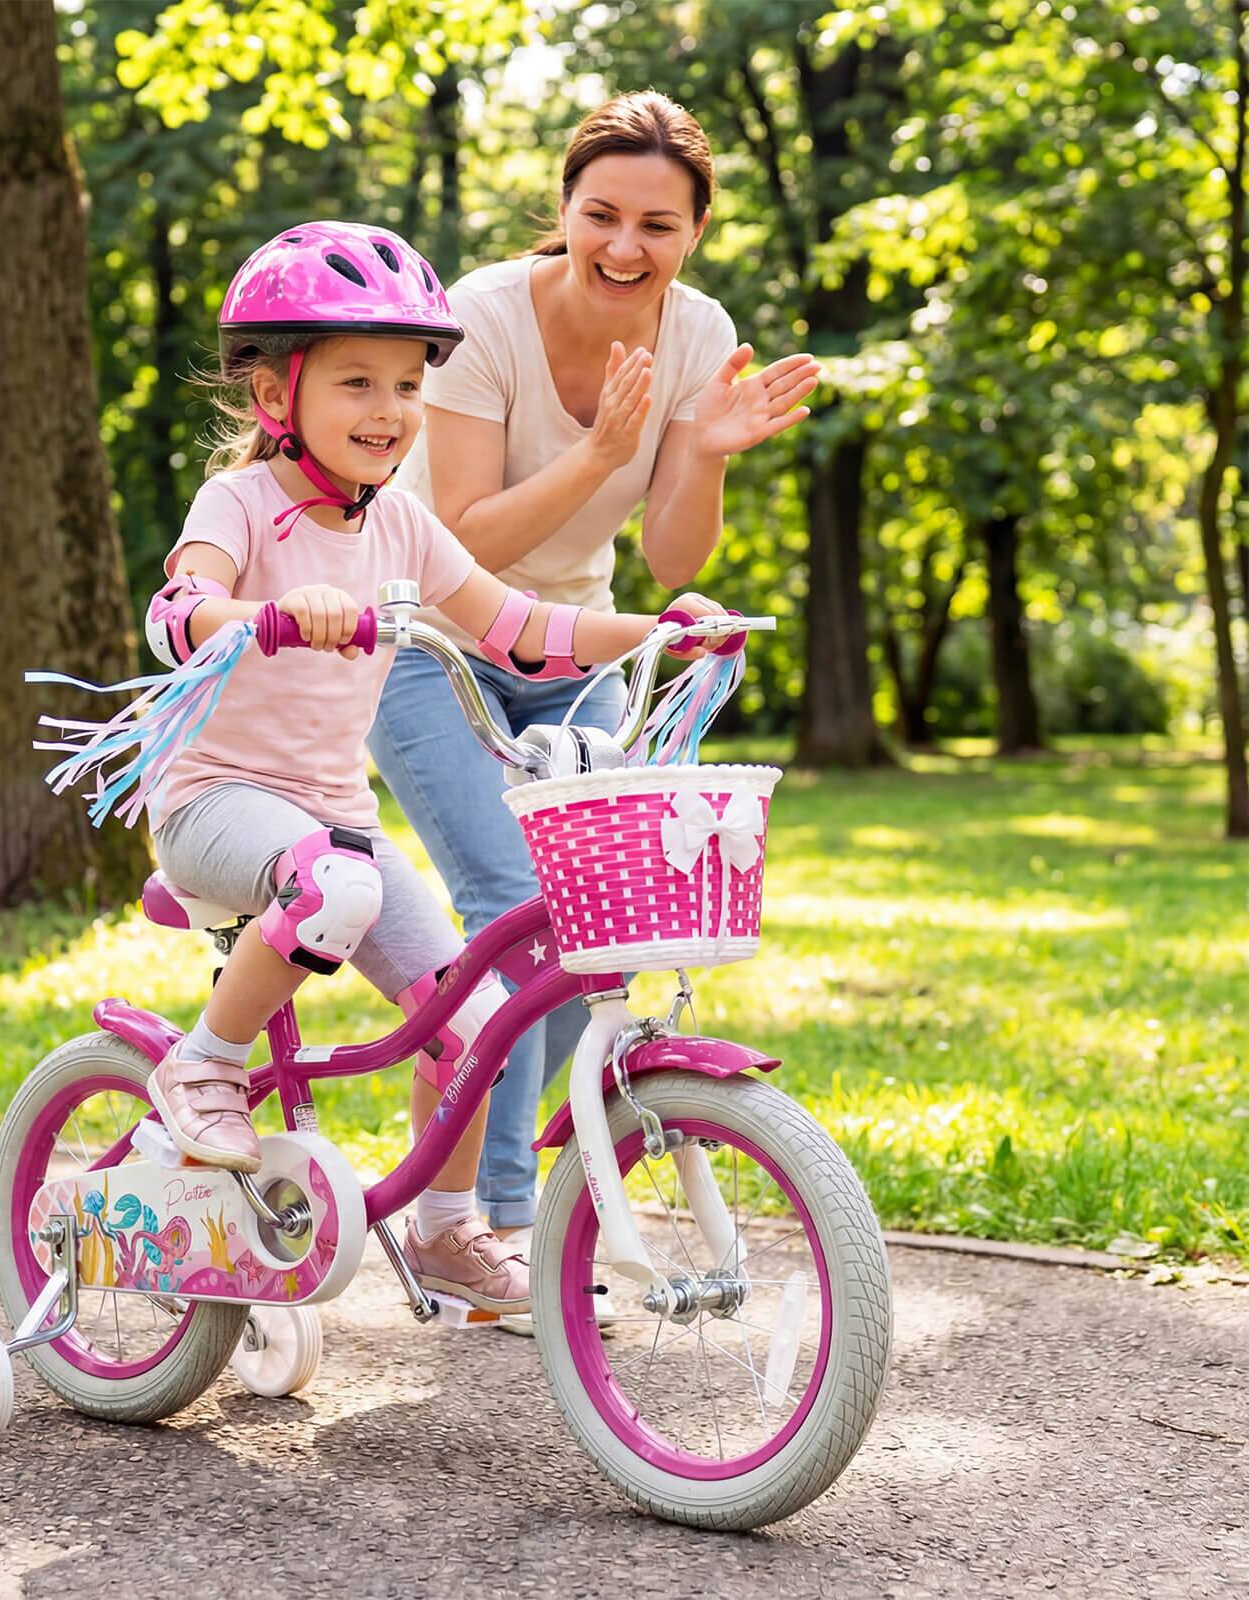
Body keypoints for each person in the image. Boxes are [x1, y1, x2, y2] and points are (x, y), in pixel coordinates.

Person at [127, 220, 731, 1316]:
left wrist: (658, 629)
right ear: (276, 399)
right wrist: (261, 616)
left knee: (477, 1018)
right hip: (213, 807)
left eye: (407, 383)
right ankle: (203, 1063)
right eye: (356, 381)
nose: (390, 410)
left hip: (329, 825)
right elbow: (178, 609)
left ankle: (449, 1228)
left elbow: (521, 628)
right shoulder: (241, 505)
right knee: (338, 883)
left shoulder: (401, 525)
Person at [369, 91, 819, 1253]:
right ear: (563, 210)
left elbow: (670, 554)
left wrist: (701, 452)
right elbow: (464, 540)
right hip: (430, 649)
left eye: (657, 225)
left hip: (575, 656)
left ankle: (503, 1190)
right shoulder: (478, 320)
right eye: (602, 214)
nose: (626, 246)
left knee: (598, 933)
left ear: (694, 233)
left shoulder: (701, 338)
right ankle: (480, 1226)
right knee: (513, 917)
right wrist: (605, 452)